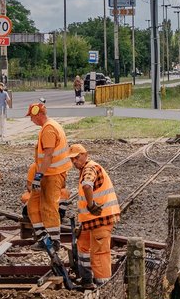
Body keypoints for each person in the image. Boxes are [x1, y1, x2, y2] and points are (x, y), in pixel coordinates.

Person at [69, 143, 120, 287]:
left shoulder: (90, 168)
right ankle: (87, 279)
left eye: (77, 158)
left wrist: (91, 205)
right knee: (83, 246)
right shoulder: (86, 168)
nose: (74, 162)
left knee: (100, 253)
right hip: (90, 221)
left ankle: (103, 284)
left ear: (86, 155)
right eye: (72, 159)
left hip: (100, 219)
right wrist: (82, 224)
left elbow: (87, 185)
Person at [27, 102, 71, 255]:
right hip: (51, 173)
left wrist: (38, 176)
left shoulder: (48, 129)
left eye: (32, 117)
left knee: (49, 205)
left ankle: (53, 240)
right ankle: (43, 237)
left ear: (38, 114)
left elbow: (48, 154)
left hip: (51, 174)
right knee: (33, 204)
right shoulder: (51, 126)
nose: (31, 120)